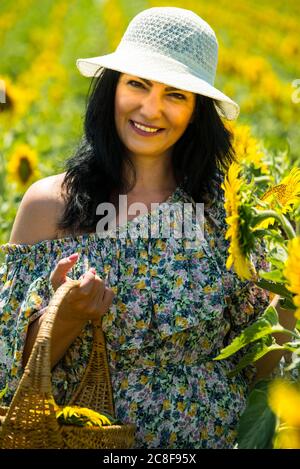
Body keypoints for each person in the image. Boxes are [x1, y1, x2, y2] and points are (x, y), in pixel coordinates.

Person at [0, 7, 287, 449]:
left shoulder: (227, 213)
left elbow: (270, 359)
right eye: (137, 84)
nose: (150, 109)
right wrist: (64, 316)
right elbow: (9, 372)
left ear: (197, 111)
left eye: (176, 94)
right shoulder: (49, 206)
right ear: (111, 89)